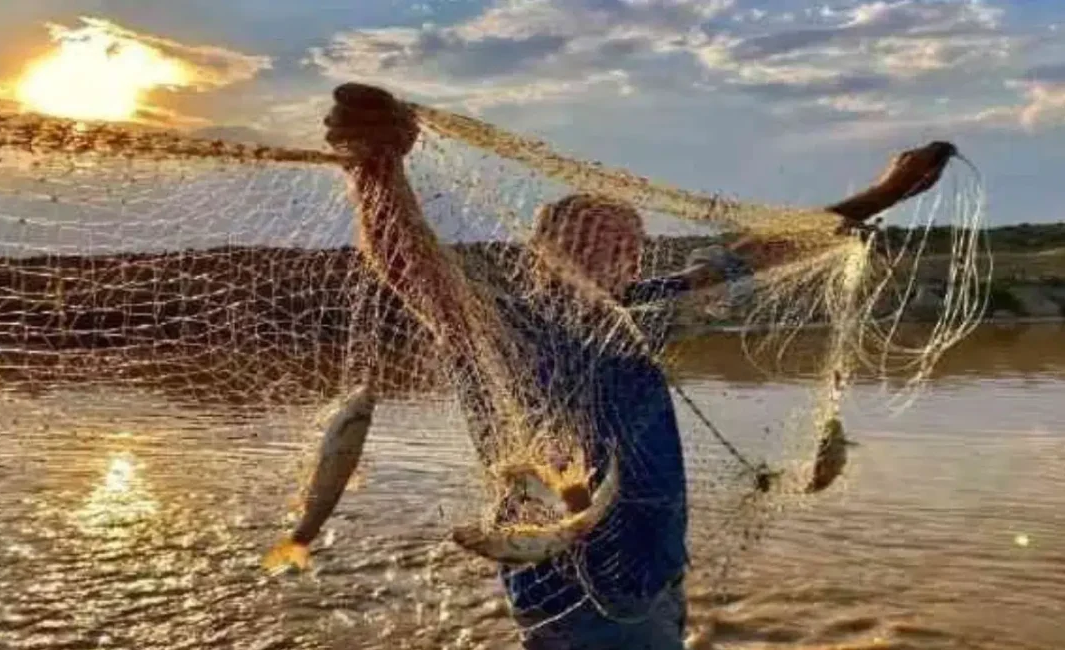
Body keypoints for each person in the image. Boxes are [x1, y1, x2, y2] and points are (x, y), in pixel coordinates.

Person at [320, 82, 954, 649]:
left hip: (655, 574)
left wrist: (884, 193)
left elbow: (756, 253)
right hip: (570, 592)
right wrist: (376, 170)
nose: (609, 259)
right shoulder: (502, 328)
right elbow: (411, 266)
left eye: (627, 247)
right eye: (586, 245)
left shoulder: (645, 312)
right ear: (540, 254)